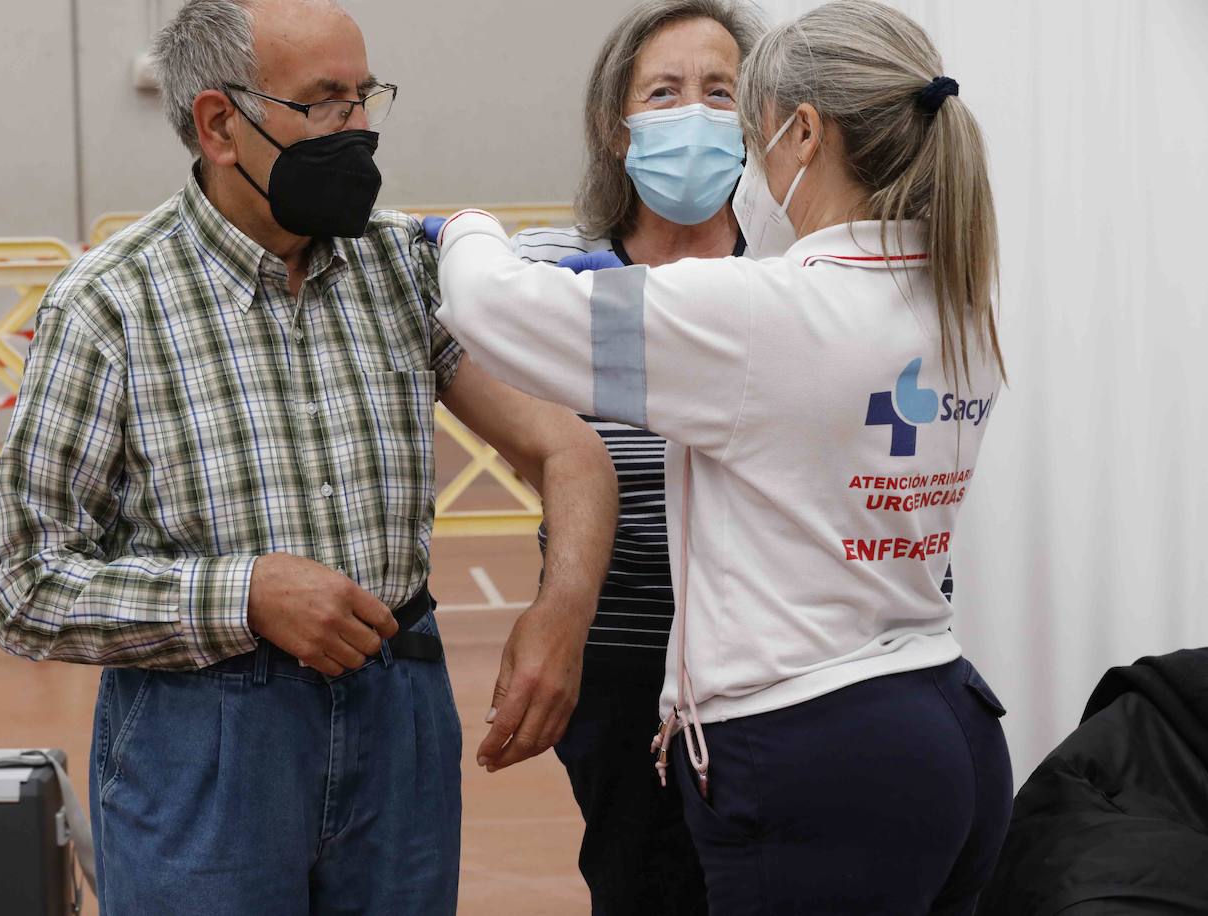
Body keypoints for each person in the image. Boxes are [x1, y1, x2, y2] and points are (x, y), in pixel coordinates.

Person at [0, 0, 617, 913]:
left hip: (397, 709)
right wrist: (245, 594)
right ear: (219, 123)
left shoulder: (402, 268)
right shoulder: (109, 306)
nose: (357, 130)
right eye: (324, 103)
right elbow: (24, 585)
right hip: (204, 738)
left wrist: (561, 617)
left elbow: (568, 450)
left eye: (364, 98)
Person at [433, 1, 1013, 912]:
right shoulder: (950, 292)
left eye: (744, 112)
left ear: (804, 133)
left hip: (810, 743)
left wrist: (461, 227)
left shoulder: (761, 313)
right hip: (941, 713)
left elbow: (492, 309)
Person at [509, 3, 763, 913]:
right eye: (665, 92)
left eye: (720, 92)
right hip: (619, 668)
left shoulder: (795, 275)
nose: (694, 113)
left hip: (773, 667)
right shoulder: (548, 269)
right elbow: (538, 449)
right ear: (617, 128)